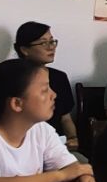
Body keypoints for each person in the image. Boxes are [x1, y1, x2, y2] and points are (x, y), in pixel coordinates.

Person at [13, 22, 80, 153]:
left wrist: (73, 138)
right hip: (23, 146)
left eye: (52, 41)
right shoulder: (13, 76)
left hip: (57, 145)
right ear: (24, 49)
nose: (51, 47)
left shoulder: (59, 77)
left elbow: (65, 118)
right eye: (43, 43)